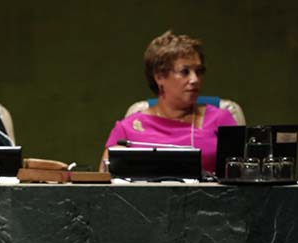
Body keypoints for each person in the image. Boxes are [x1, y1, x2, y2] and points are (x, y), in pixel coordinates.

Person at [100, 30, 237, 174]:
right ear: (160, 77)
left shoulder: (221, 120)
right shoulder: (127, 129)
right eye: (185, 72)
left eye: (199, 71)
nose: (195, 79)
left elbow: (239, 175)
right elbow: (105, 180)